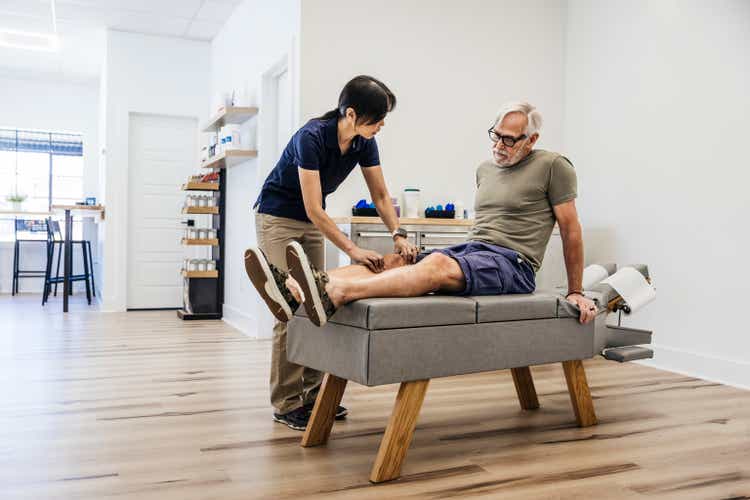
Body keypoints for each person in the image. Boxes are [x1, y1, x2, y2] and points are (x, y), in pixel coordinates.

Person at [244, 75, 419, 431]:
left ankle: (313, 396)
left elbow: (382, 196)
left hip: (312, 223)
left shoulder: (363, 142)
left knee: (318, 303)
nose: (382, 125)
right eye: (378, 118)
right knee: (290, 307)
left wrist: (397, 234)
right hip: (279, 217)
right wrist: (352, 249)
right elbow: (312, 208)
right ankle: (287, 402)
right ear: (351, 114)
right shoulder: (311, 137)